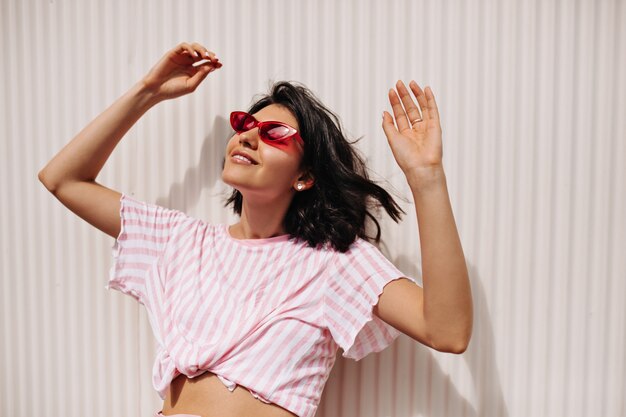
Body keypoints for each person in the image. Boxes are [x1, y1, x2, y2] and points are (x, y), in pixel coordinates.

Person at [38, 42, 473, 417]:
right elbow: (63, 179)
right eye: (245, 125)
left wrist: (426, 176)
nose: (248, 136)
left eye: (274, 133)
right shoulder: (181, 241)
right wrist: (148, 91)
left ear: (304, 176)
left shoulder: (334, 262)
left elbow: (447, 331)